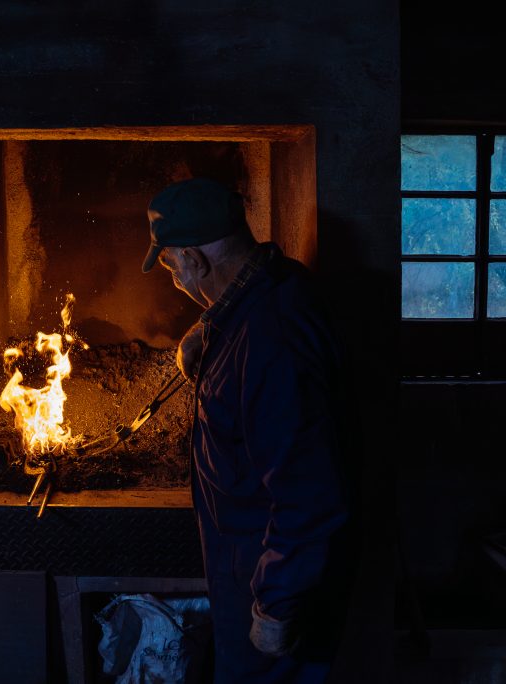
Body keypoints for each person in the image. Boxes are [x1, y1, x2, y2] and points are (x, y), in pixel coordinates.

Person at [142, 177, 356, 682]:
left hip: (274, 583)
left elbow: (311, 492)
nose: (173, 277)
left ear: (195, 260)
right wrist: (206, 331)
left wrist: (276, 607)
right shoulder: (273, 287)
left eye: (172, 264)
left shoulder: (271, 345)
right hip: (249, 564)